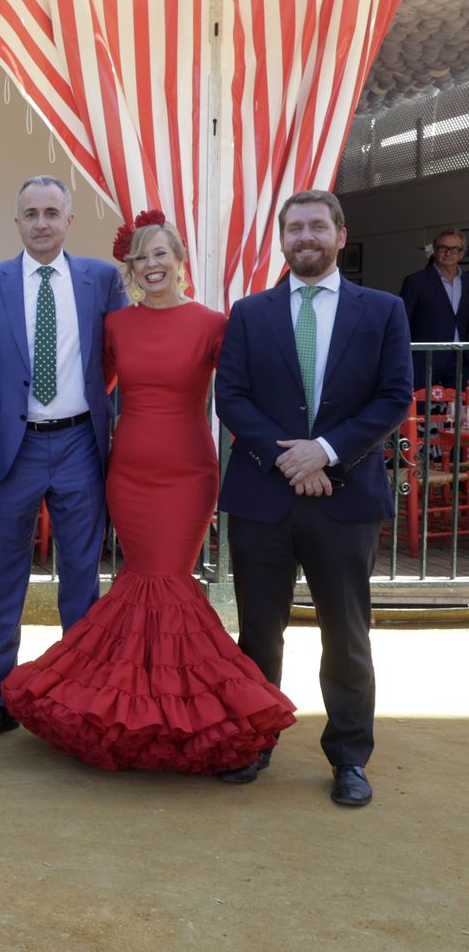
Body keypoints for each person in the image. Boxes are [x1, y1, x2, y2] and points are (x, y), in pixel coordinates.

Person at [2, 219, 298, 772]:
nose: (150, 264)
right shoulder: (115, 324)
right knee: (140, 586)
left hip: (187, 474)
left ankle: (196, 718)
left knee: (169, 588)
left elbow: (241, 391)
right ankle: (138, 714)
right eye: (140, 258)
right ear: (131, 270)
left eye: (159, 253)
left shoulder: (214, 324)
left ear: (180, 259)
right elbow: (92, 387)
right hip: (129, 472)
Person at [215, 190, 413, 807]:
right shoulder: (248, 313)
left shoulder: (382, 311)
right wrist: (288, 457)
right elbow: (234, 398)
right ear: (282, 239)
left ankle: (350, 757)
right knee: (258, 633)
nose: (306, 236)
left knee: (347, 634)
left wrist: (324, 452)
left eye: (317, 225)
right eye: (295, 227)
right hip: (263, 498)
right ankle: (256, 740)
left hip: (345, 496)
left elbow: (393, 396)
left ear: (339, 234)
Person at [0, 175, 126, 745]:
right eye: (30, 213)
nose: (41, 223)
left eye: (52, 212)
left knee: (81, 579)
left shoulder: (102, 279)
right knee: (2, 577)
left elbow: (119, 358)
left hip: (81, 442)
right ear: (16, 222)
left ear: (69, 220)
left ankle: (76, 696)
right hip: (13, 447)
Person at [399, 229, 469, 388]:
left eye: (454, 249)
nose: (448, 253)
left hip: (462, 361)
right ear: (435, 251)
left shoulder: (468, 281)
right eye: (443, 248)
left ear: (462, 253)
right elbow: (403, 322)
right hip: (425, 360)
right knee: (420, 410)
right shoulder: (416, 282)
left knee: (460, 410)